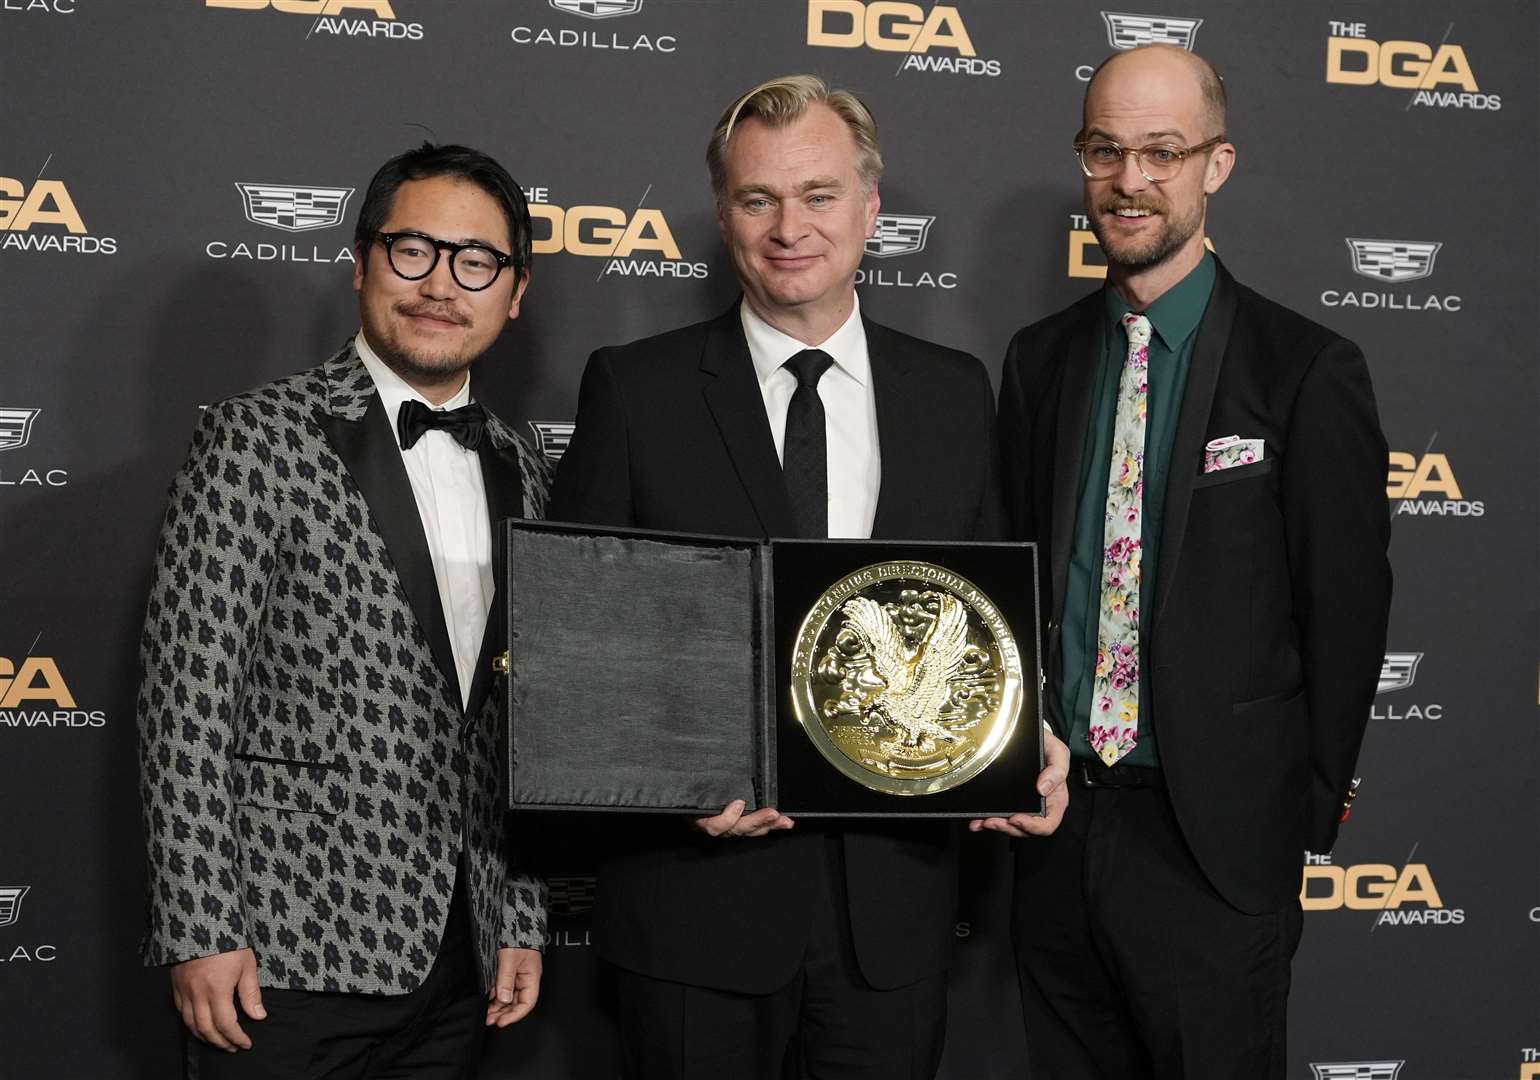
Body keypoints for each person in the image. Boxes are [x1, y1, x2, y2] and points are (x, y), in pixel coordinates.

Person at [550, 74, 1068, 1079]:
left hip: (894, 919)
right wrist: (670, 787)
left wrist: (1021, 737)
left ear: (871, 211)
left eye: (819, 195)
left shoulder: (953, 395)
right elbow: (578, 649)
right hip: (694, 912)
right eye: (758, 198)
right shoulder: (636, 388)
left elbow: (989, 623)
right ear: (724, 215)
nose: (790, 226)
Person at [996, 44, 1393, 1078]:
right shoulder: (1038, 362)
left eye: (1162, 152)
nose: (1130, 180)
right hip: (1054, 829)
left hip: (1213, 847)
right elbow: (1018, 576)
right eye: (1106, 150)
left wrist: (1291, 817)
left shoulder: (1303, 370)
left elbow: (1346, 605)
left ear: (1216, 165)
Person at [137, 142, 550, 1078]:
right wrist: (199, 926)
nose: (442, 284)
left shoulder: (524, 465)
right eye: (414, 251)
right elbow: (186, 704)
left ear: (515, 292)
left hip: (459, 958)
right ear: (361, 262)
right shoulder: (256, 436)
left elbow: (517, 722)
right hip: (280, 955)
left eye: (476, 261)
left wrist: (517, 917)